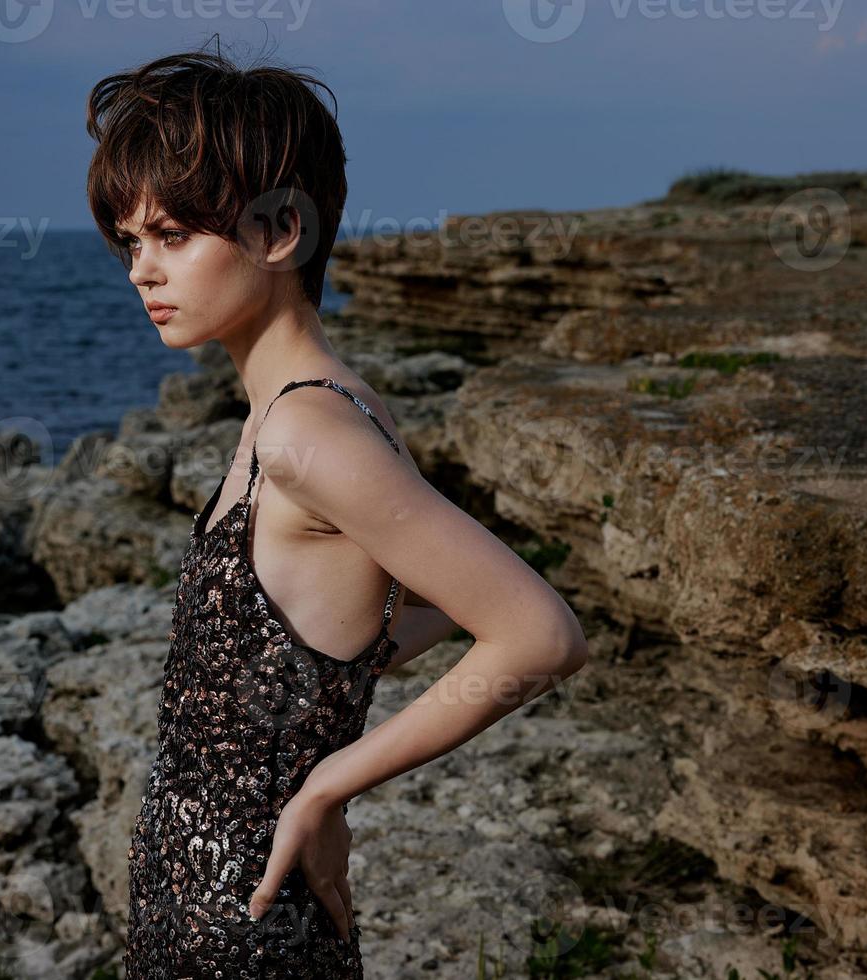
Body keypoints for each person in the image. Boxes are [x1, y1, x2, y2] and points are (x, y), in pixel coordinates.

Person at [86, 41, 589, 979]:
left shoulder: (306, 434)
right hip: (195, 891)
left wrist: (326, 787)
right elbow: (342, 624)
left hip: (248, 919)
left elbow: (538, 634)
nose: (141, 273)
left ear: (280, 234)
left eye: (175, 236)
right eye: (131, 240)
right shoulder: (304, 407)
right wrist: (354, 666)